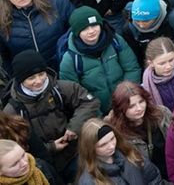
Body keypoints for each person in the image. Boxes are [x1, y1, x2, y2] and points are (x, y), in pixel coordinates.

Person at [2, 49, 100, 181]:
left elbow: (89, 102)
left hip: (74, 153)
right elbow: (15, 146)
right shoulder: (12, 110)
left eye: (41, 74)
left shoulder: (60, 88)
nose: (38, 81)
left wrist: (74, 127)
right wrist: (51, 147)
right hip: (42, 165)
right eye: (31, 78)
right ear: (20, 80)